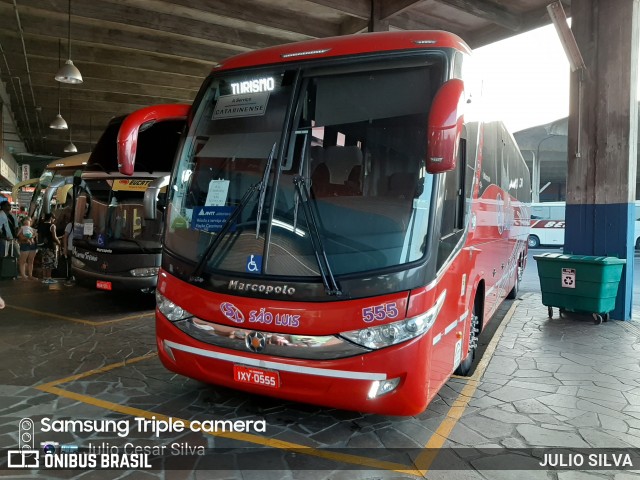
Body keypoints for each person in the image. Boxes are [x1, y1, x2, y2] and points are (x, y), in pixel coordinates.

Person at [37, 213, 60, 284]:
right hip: (50, 246)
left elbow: (39, 235)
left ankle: (44, 278)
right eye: (53, 218)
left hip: (43, 246)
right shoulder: (52, 226)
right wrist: (59, 242)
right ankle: (49, 278)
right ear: (50, 218)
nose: (54, 219)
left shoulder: (41, 225)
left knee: (45, 262)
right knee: (50, 262)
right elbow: (54, 237)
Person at [62, 217, 74, 286]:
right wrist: (65, 248)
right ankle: (68, 279)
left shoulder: (81, 224)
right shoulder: (70, 225)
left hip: (78, 248)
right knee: (70, 264)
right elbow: (65, 237)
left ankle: (72, 279)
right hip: (70, 248)